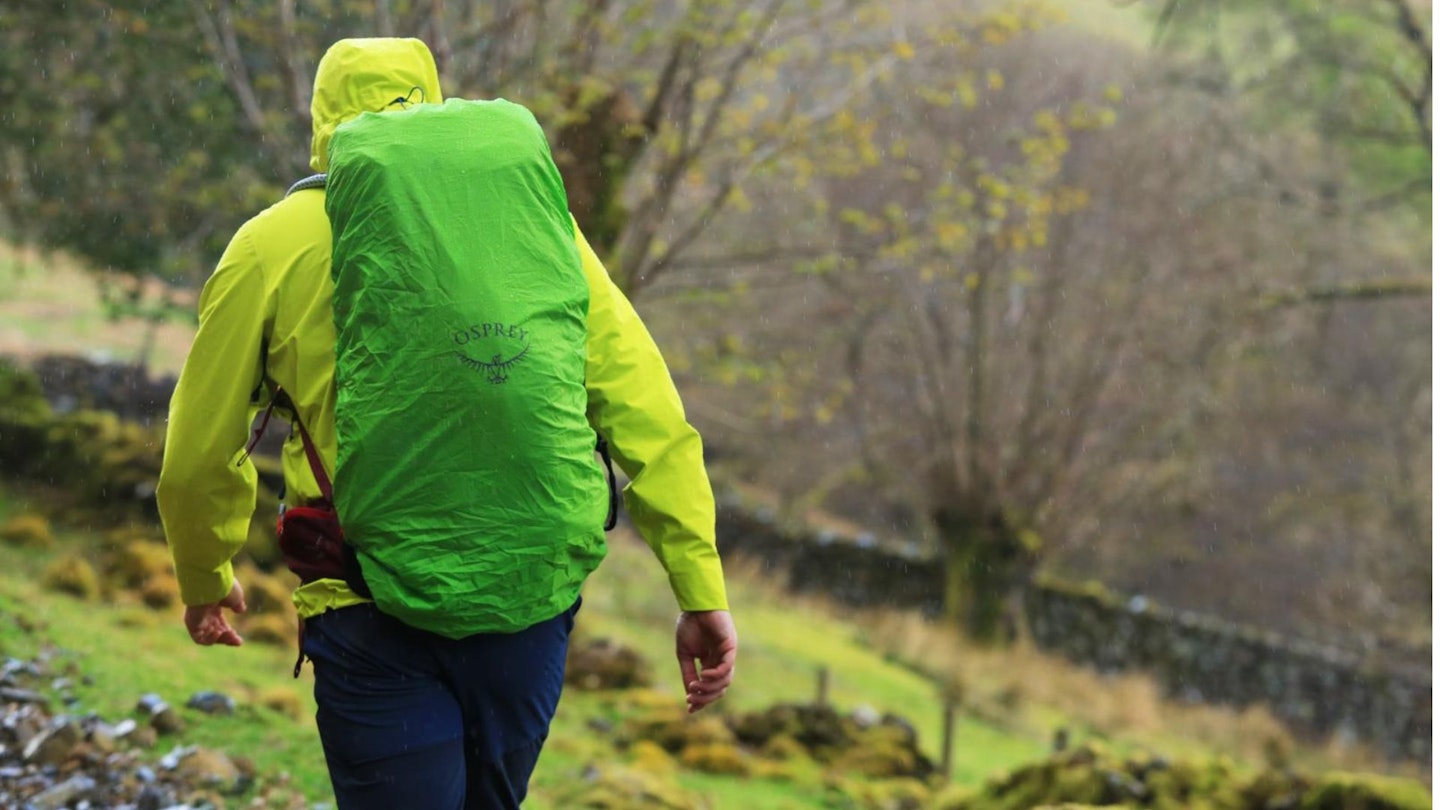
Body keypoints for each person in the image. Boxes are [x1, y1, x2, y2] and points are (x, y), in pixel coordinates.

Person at [156, 37, 737, 810]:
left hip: (363, 600)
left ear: (322, 122)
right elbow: (649, 418)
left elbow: (198, 453)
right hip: (525, 599)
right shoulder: (541, 233)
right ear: (432, 100)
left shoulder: (271, 246)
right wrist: (699, 588)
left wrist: (205, 575)